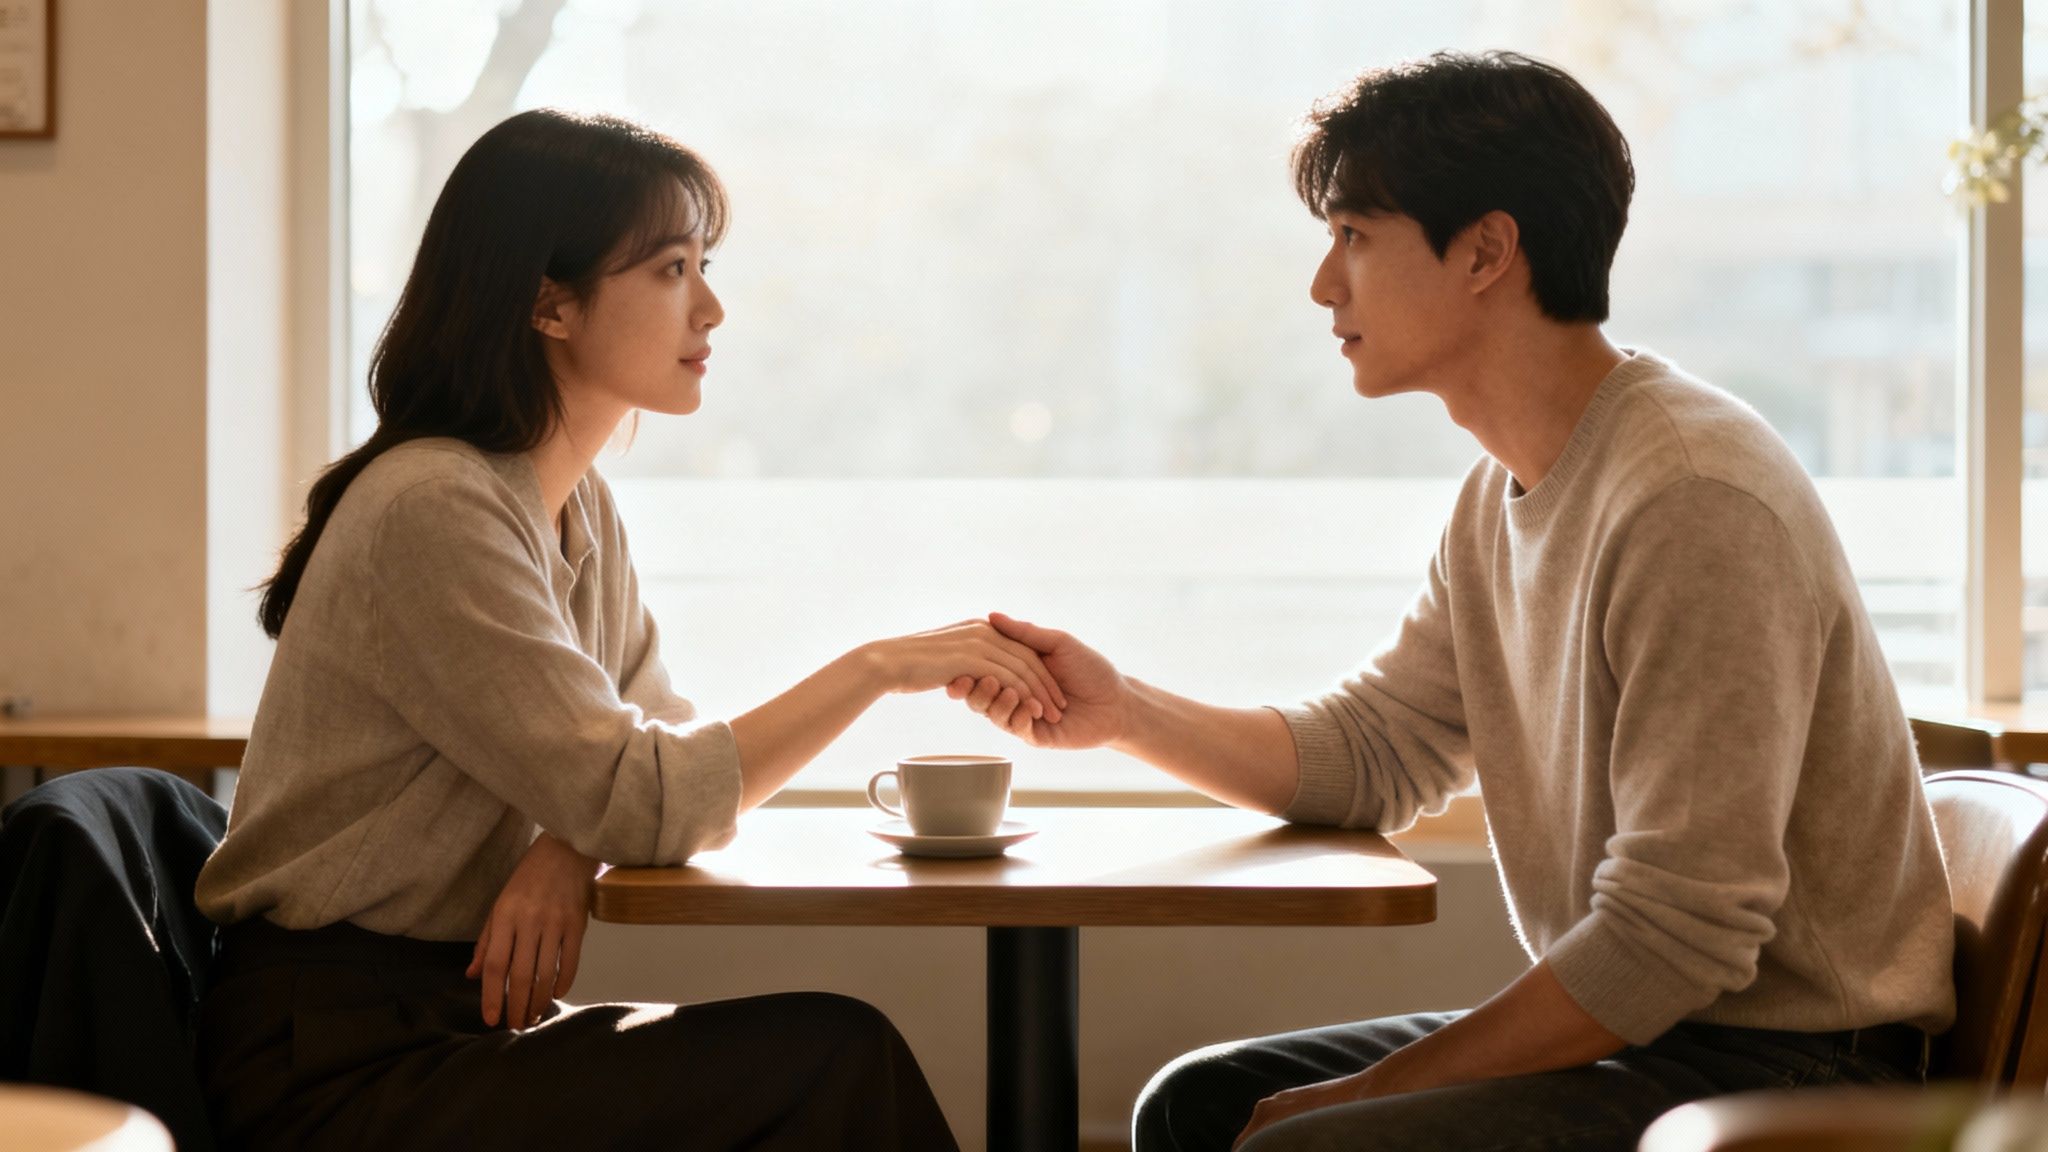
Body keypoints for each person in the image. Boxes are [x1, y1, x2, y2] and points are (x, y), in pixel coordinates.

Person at [958, 51, 1956, 1152]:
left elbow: (1675, 937)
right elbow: (1374, 754)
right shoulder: (1507, 485)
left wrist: (1357, 1099)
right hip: (1665, 1034)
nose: (1320, 285)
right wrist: (1124, 715)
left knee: (1302, 1141)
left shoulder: (1690, 500)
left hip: (1790, 1063)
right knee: (1196, 1107)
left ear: (1485, 251)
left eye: (1353, 237)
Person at [194, 108, 1066, 1151]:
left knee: (828, 1059)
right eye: (669, 270)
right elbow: (650, 794)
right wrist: (877, 667)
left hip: (437, 1018)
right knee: (833, 1060)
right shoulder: (435, 508)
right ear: (548, 302)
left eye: (704, 264)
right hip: (333, 1063)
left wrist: (571, 840)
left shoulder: (570, 504)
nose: (711, 306)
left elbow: (649, 737)